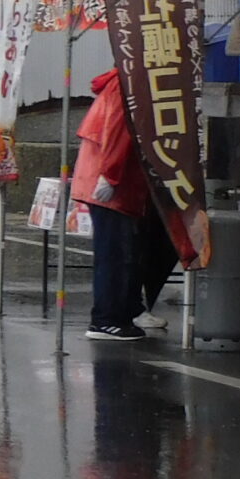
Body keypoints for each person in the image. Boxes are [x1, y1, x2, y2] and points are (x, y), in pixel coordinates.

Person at [71, 68, 175, 341]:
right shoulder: (132, 82)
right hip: (110, 181)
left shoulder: (129, 79)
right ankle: (106, 320)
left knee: (126, 252)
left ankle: (127, 309)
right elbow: (119, 130)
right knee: (115, 254)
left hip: (114, 179)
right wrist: (111, 174)